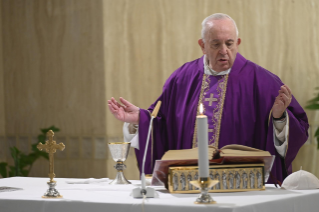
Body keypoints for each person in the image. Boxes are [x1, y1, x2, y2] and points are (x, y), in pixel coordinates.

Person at [108, 13, 309, 183]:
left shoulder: (262, 81)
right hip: (188, 182)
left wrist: (279, 118)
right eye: (216, 44)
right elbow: (162, 124)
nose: (224, 51)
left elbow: (298, 127)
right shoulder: (182, 78)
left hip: (241, 184)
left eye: (229, 43)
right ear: (202, 45)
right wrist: (141, 119)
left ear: (237, 43)